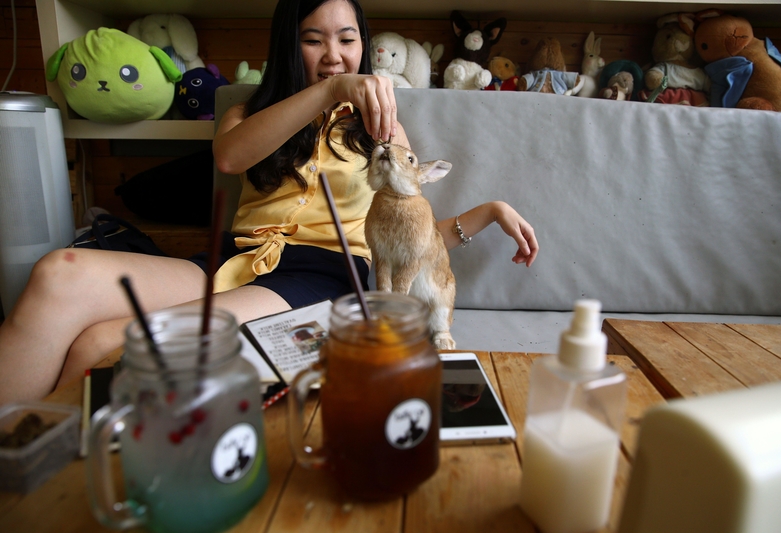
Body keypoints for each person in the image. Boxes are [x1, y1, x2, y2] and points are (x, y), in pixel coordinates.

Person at [0, 0, 538, 406]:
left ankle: (41, 454)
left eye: (348, 40)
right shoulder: (246, 111)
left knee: (103, 343)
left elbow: (409, 233)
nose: (335, 56)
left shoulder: (382, 134)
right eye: (314, 40)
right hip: (237, 260)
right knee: (59, 273)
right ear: (290, 46)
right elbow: (232, 157)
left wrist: (487, 213)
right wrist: (331, 92)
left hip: (324, 275)